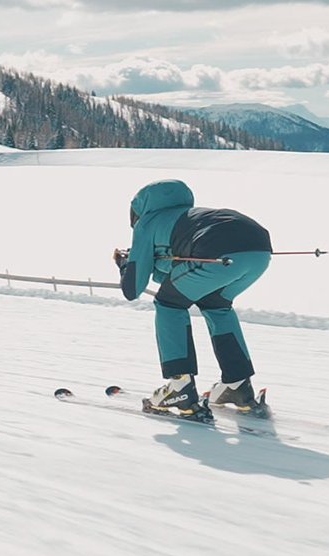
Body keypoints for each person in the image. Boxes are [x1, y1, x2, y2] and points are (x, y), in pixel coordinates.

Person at [113, 179, 273, 417]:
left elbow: (132, 290)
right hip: (258, 250)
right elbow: (180, 272)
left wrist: (125, 264)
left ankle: (180, 387)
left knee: (168, 304)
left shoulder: (147, 223)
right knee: (216, 305)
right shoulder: (189, 216)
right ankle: (237, 385)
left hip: (214, 251)